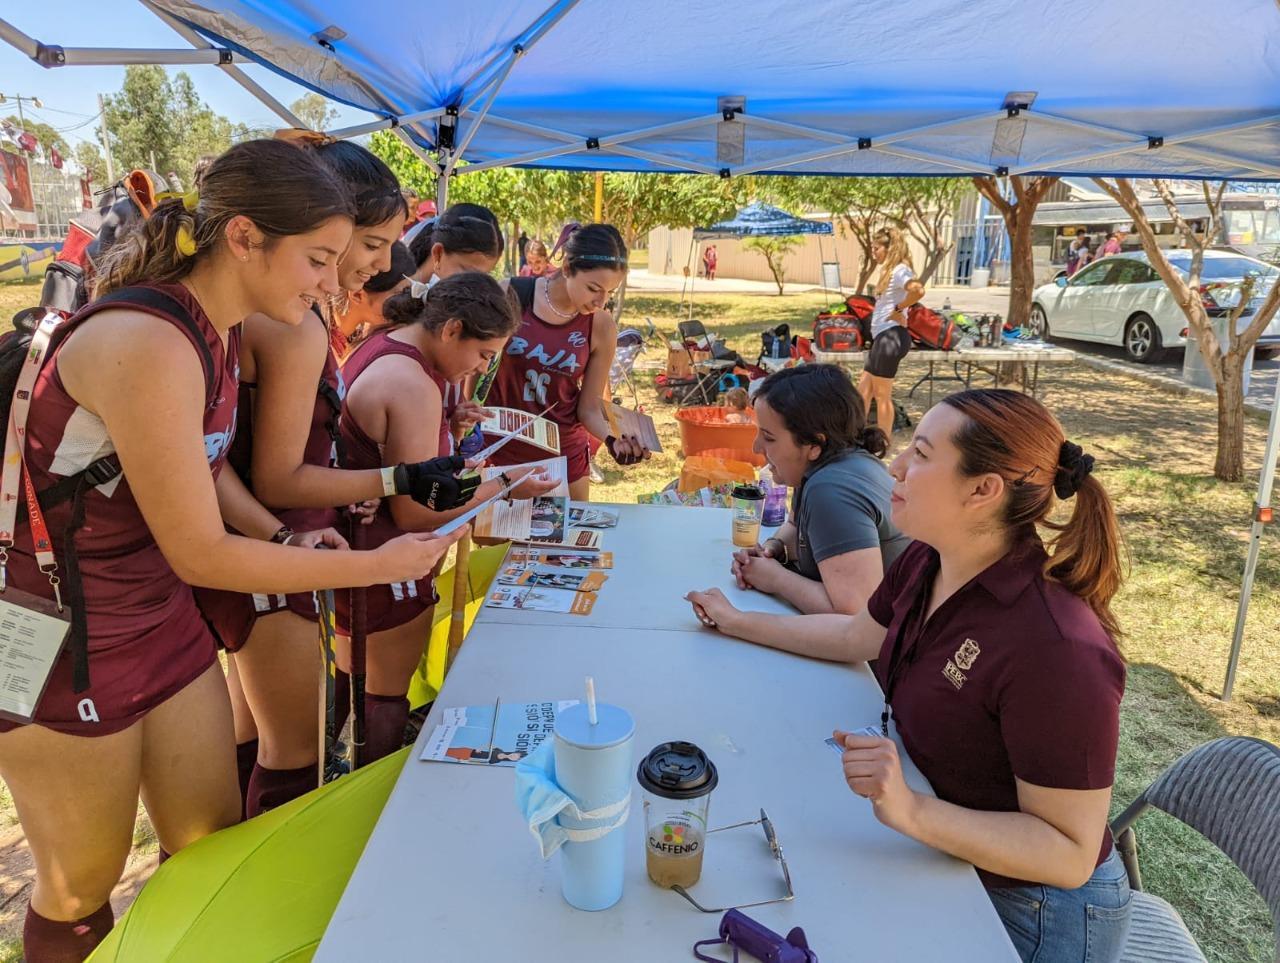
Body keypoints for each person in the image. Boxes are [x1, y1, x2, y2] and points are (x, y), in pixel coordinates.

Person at [0, 139, 463, 963]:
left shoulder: (215, 329)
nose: (333, 284)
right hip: (63, 638)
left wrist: (280, 533)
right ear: (245, 238)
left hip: (160, 623)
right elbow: (200, 552)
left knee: (209, 841)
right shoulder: (147, 337)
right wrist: (370, 563)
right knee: (80, 882)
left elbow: (199, 472)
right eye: (319, 259)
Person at [688, 389, 1129, 961]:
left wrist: (911, 809)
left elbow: (1068, 853)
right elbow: (855, 636)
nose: (895, 465)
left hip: (1030, 911)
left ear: (983, 489)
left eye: (920, 454)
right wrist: (736, 621)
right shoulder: (930, 558)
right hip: (943, 854)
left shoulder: (1058, 646)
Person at [195, 138, 482, 816]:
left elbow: (226, 462)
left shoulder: (280, 313)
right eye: (374, 244)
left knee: (250, 735)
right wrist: (399, 478)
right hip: (275, 552)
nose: (385, 265)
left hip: (260, 546)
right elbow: (282, 477)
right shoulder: (292, 325)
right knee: (290, 755)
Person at [338, 273, 557, 763]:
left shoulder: (387, 343)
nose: (480, 369)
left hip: (358, 546)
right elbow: (416, 511)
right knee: (384, 693)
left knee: (353, 680)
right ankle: (374, 794)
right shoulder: (413, 382)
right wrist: (505, 485)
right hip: (386, 556)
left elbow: (396, 462)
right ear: (452, 329)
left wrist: (447, 428)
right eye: (483, 355)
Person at [699, 365, 908, 622]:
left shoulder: (830, 489)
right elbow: (795, 524)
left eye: (769, 437)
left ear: (814, 445)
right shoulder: (825, 466)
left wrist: (776, 578)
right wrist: (773, 549)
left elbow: (855, 614)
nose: (756, 446)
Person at [485, 223, 651, 500]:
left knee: (567, 542)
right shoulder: (510, 295)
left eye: (610, 291)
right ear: (566, 269)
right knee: (500, 544)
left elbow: (588, 408)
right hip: (502, 449)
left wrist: (614, 440)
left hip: (563, 456)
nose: (601, 301)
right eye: (593, 288)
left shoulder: (601, 325)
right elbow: (471, 371)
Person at [857, 227, 923, 438]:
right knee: (863, 391)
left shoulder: (900, 270)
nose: (874, 252)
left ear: (889, 248)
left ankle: (883, 442)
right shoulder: (891, 271)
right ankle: (854, 435)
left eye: (876, 248)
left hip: (891, 337)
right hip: (884, 338)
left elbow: (918, 291)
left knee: (881, 395)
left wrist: (898, 309)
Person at [335, 240, 414, 354]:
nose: (406, 303)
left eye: (410, 292)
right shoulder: (317, 339)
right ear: (357, 295)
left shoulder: (359, 334)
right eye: (400, 294)